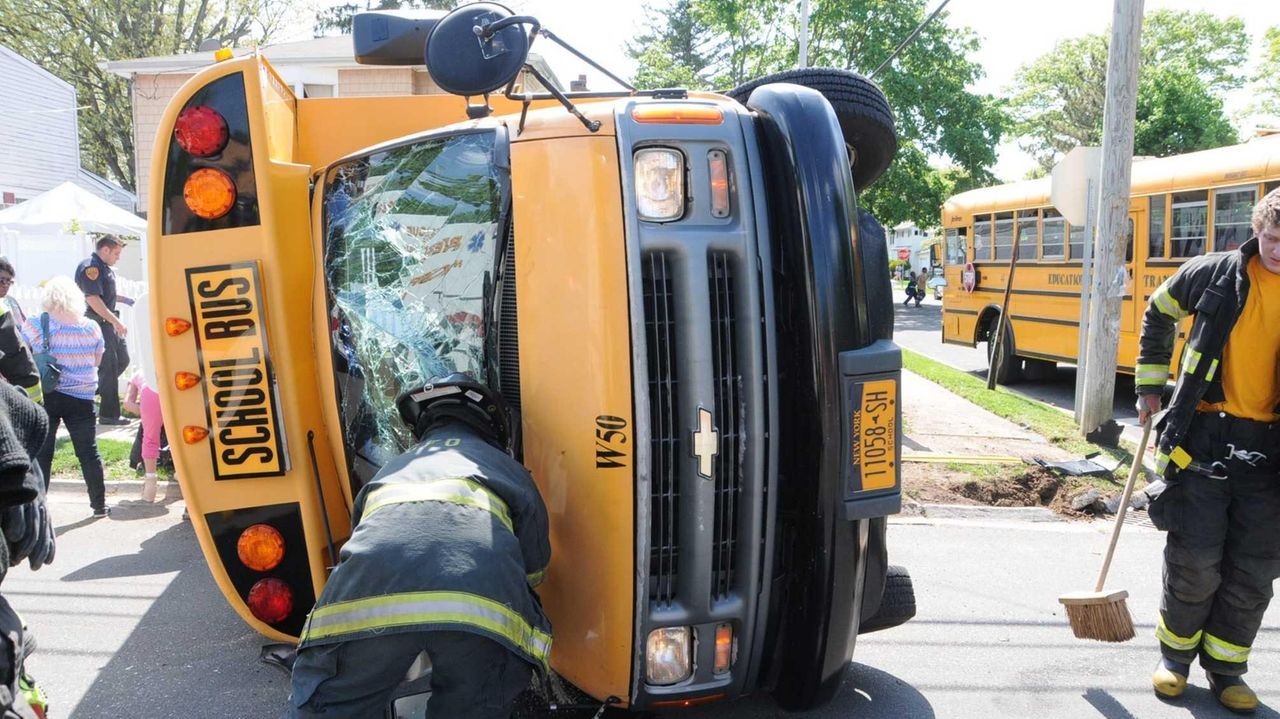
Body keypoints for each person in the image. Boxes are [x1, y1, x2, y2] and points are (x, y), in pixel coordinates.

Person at [287, 373, 550, 718]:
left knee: (333, 707)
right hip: (481, 613)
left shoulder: (389, 472)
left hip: (367, 609)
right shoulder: (507, 469)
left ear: (422, 429)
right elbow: (534, 569)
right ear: (494, 428)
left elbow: (364, 545)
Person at [1137, 187, 1280, 713]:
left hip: (1270, 452)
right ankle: (1174, 660)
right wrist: (1150, 387)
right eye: (1273, 238)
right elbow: (1158, 312)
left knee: (1254, 570)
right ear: (1257, 231)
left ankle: (1226, 670)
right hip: (1203, 439)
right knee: (1195, 560)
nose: (1279, 251)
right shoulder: (1215, 273)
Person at [20, 277, 110, 519]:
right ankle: (99, 505)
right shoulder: (91, 326)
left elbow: (23, 355)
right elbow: (97, 360)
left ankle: (39, 507)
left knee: (43, 453)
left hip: (47, 395)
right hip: (82, 396)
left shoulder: (35, 324)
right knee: (88, 452)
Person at [74, 235, 130, 426]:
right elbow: (92, 299)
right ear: (105, 249)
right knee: (109, 367)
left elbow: (106, 294)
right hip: (99, 324)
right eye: (116, 253)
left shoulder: (103, 268)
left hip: (108, 324)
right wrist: (116, 321)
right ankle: (109, 415)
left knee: (123, 360)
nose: (118, 257)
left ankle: (91, 392)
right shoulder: (91, 268)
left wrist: (127, 300)